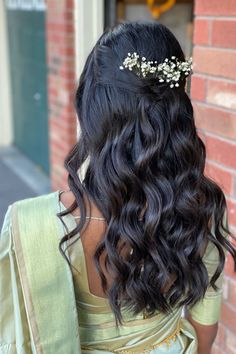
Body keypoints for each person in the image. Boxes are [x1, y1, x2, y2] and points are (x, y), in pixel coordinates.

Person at [0, 21, 236, 354]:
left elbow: (12, 337)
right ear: (178, 114)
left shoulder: (30, 225)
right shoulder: (200, 206)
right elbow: (205, 334)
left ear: (92, 111)